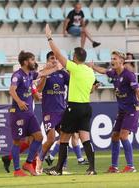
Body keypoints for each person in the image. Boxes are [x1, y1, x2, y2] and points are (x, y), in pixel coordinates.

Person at [44, 24, 96, 175]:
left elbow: (57, 53)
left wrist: (49, 37)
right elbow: (92, 88)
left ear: (75, 58)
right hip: (87, 107)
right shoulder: (90, 71)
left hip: (74, 107)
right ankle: (92, 168)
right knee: (85, 138)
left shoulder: (75, 68)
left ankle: (58, 169)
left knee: (64, 138)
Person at [91, 51, 139, 173]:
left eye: (114, 58)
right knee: (115, 136)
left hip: (132, 109)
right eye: (111, 58)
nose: (112, 61)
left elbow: (137, 91)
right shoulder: (114, 73)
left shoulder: (129, 75)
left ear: (121, 61)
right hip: (122, 111)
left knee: (123, 136)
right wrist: (92, 66)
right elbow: (104, 71)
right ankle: (114, 167)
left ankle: (131, 166)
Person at [8, 50, 59, 177]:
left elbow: (42, 73)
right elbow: (11, 90)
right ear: (25, 62)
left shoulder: (30, 75)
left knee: (39, 137)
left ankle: (28, 163)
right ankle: (17, 170)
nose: (34, 62)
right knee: (17, 142)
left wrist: (56, 67)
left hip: (29, 114)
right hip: (18, 113)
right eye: (32, 60)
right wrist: (19, 102)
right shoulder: (17, 75)